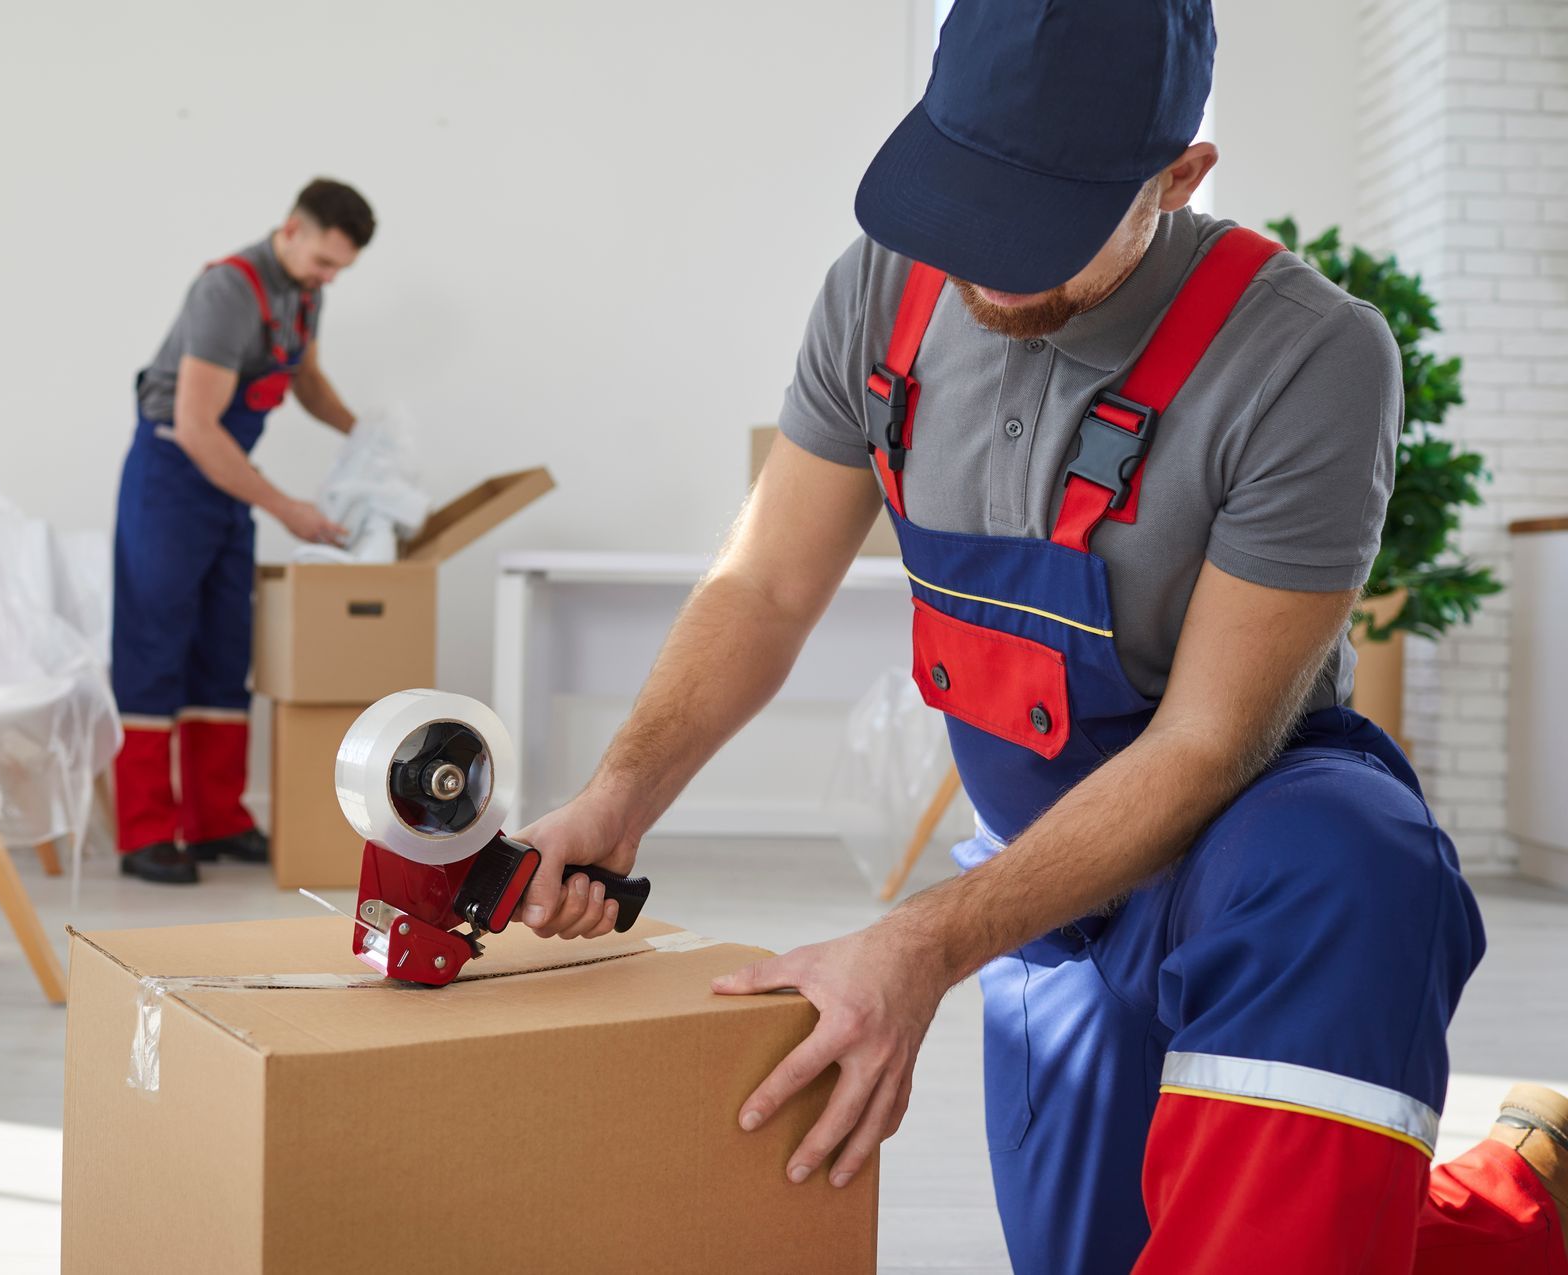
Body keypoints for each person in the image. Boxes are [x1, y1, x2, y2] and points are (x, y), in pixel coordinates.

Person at [510, 3, 1568, 1271]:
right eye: (967, 196)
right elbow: (765, 589)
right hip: (1045, 890)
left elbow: (1211, 740)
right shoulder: (878, 293)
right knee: (1150, 1246)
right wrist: (619, 797)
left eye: (1042, 224)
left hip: (1242, 844)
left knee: (1351, 868)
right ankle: (1518, 1193)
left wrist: (922, 941)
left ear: (1179, 178)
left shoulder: (1309, 356)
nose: (985, 262)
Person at [112, 178, 373, 885]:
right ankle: (144, 831)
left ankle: (217, 818)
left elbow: (306, 379)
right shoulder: (228, 291)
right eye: (324, 261)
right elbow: (197, 426)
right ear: (291, 229)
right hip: (173, 472)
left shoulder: (304, 293)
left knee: (225, 646)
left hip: (226, 480)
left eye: (340, 269)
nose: (329, 278)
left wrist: (366, 434)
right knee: (155, 645)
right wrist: (285, 507)